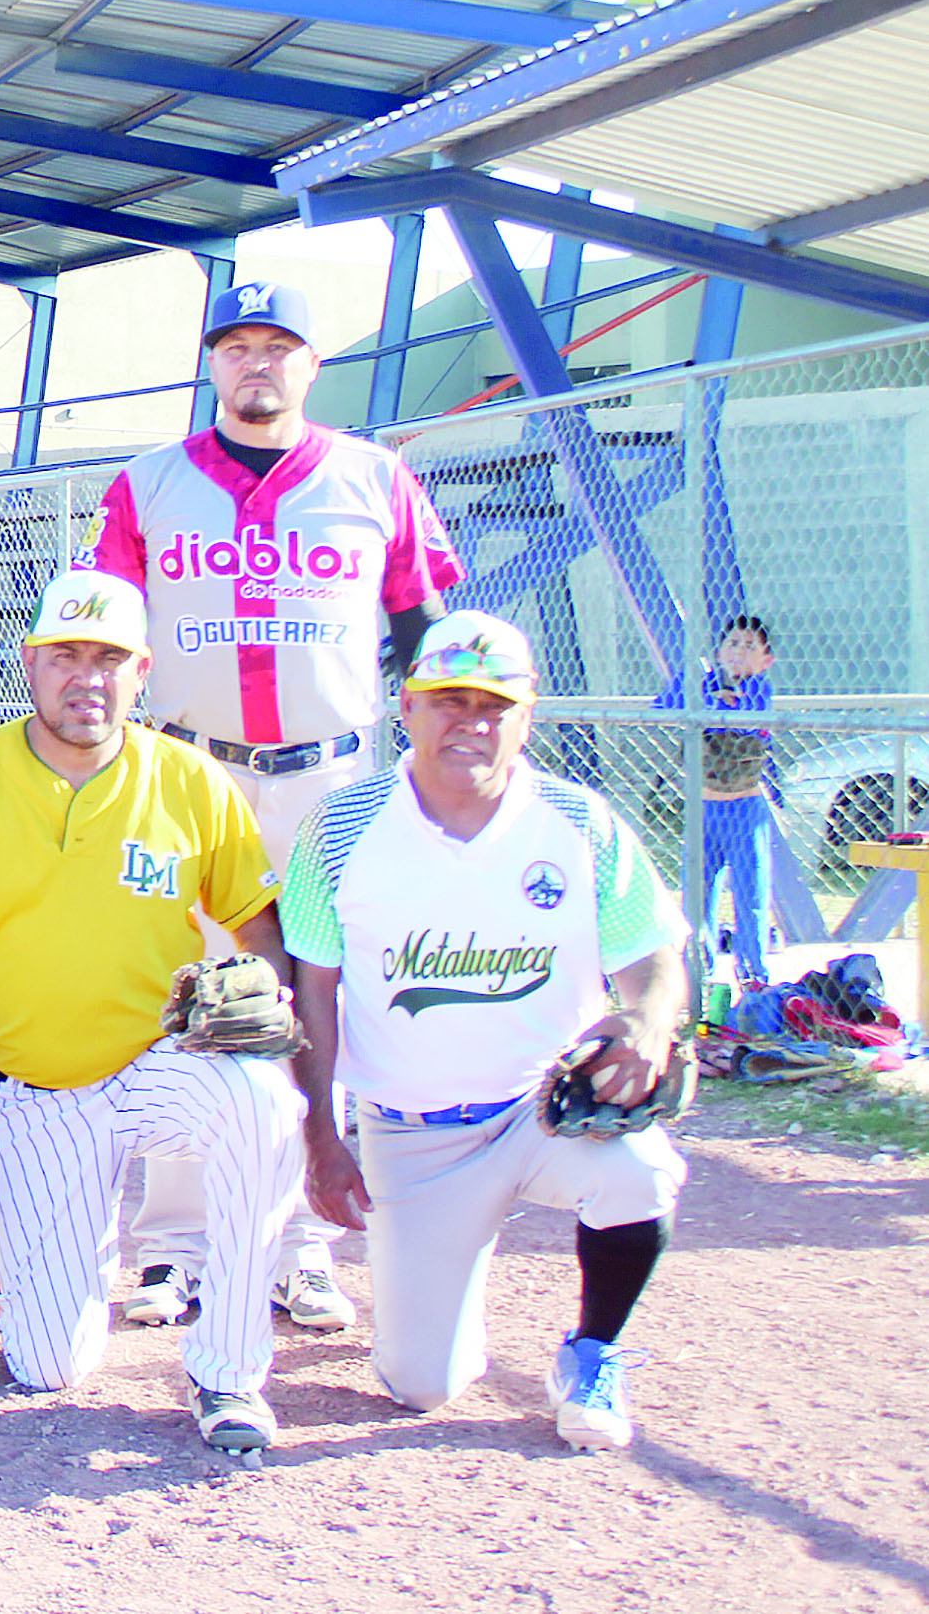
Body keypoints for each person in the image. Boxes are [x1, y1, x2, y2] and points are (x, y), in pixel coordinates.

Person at [88, 279, 465, 1334]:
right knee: (181, 1000)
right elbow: (103, 637)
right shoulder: (149, 485)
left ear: (312, 364)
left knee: (317, 1003)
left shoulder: (374, 480)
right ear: (213, 364)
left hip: (332, 780)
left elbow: (424, 638)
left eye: (279, 346)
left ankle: (300, 1244)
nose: (257, 364)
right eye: (237, 345)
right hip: (191, 772)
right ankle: (172, 1249)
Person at [0, 569, 300, 1456]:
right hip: (32, 1087)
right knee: (47, 1367)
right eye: (63, 654)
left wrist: (263, 998)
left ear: (139, 670)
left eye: (107, 657)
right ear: (29, 663)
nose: (85, 677)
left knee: (262, 1105)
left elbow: (259, 934)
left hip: (157, 1064)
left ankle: (227, 1371)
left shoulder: (188, 780)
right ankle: (36, 1263)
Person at [283, 612, 691, 1451]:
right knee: (420, 1383)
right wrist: (322, 1136)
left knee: (640, 1171)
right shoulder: (341, 826)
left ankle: (593, 1350)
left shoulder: (577, 823)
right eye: (448, 700)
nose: (469, 721)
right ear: (407, 705)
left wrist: (649, 1020)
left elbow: (653, 958)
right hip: (413, 1134)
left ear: (526, 714)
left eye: (492, 705)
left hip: (541, 1112)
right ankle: (449, 1272)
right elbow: (312, 996)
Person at [658, 615, 777, 1003]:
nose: (738, 652)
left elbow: (748, 722)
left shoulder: (760, 688)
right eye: (732, 644)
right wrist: (708, 701)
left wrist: (719, 708)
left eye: (749, 647)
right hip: (703, 810)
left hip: (744, 808)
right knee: (697, 896)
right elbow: (665, 704)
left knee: (751, 897)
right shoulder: (704, 684)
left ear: (765, 659)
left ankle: (754, 981)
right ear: (718, 653)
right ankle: (698, 978)